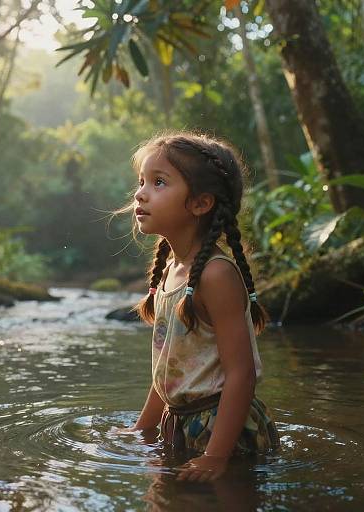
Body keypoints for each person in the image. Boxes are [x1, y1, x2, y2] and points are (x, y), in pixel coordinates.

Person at [116, 130, 280, 483]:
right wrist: (141, 430)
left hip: (223, 430)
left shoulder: (215, 274)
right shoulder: (168, 273)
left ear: (200, 204)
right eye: (141, 181)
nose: (140, 193)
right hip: (180, 424)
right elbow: (167, 373)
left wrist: (216, 456)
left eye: (159, 182)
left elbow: (242, 374)